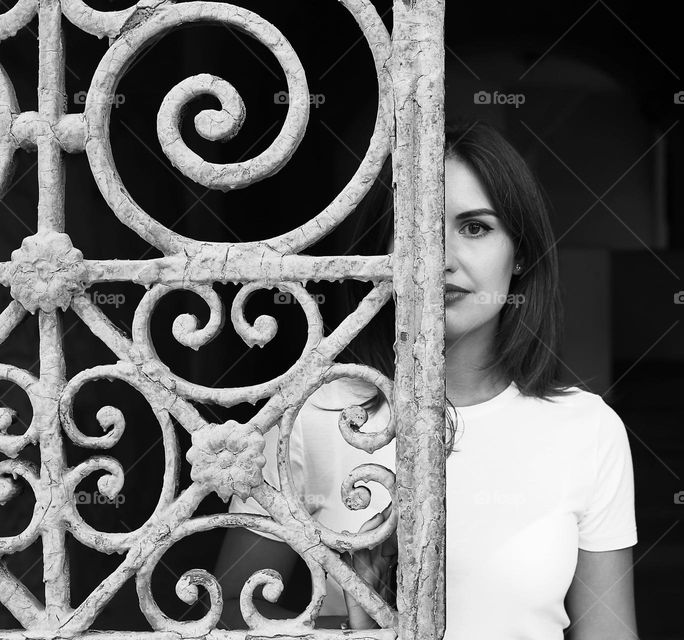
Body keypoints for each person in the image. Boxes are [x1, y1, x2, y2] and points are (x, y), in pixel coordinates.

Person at [213, 120, 639, 638]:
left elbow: (609, 634)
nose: (442, 259)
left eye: (476, 227)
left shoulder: (587, 428)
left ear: (520, 252)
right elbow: (231, 609)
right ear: (387, 249)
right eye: (418, 226)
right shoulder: (313, 414)